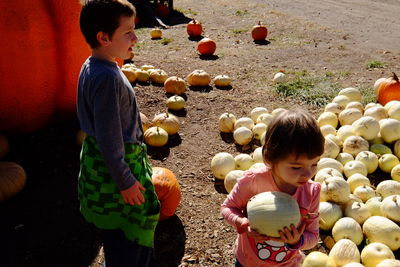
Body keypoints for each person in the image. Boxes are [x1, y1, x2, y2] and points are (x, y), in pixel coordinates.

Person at [77, 1, 160, 266]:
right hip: (116, 166)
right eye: (128, 32)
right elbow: (109, 137)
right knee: (130, 231)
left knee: (114, 230)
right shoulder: (107, 79)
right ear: (103, 37)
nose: (135, 37)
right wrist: (125, 181)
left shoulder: (93, 64)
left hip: (100, 163)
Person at [221, 109, 325, 267]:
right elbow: (228, 207)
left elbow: (312, 235)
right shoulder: (253, 181)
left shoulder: (311, 192)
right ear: (270, 159)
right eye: (296, 167)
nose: (307, 173)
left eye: (314, 164)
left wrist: (298, 241)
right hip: (247, 261)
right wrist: (240, 221)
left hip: (288, 264)